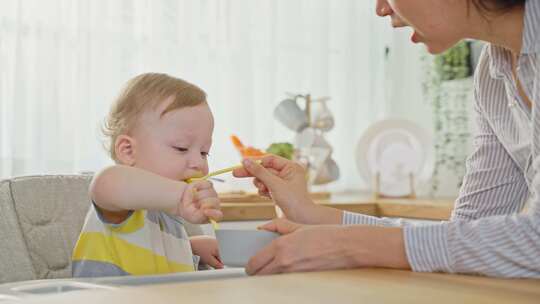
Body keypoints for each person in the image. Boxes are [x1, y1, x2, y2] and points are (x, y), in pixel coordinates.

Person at [233, 0, 540, 278]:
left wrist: (352, 246)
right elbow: (466, 231)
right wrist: (314, 215)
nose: (381, 9)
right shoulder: (492, 73)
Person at [72, 73, 223, 277]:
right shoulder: (123, 205)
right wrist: (179, 198)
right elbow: (106, 184)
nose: (199, 163)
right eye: (181, 148)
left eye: (204, 152)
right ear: (128, 151)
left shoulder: (167, 217)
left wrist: (191, 248)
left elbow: (147, 250)